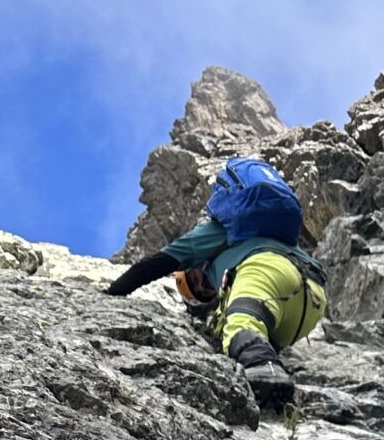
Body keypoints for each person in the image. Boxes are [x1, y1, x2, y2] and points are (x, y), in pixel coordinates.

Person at [106, 154, 326, 413]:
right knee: (255, 327)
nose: (202, 287)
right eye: (200, 294)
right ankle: (268, 366)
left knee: (240, 321)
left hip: (268, 271)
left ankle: (264, 370)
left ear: (191, 269)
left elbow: (156, 263)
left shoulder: (215, 231)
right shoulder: (258, 232)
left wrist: (112, 292)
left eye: (194, 281)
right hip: (313, 298)